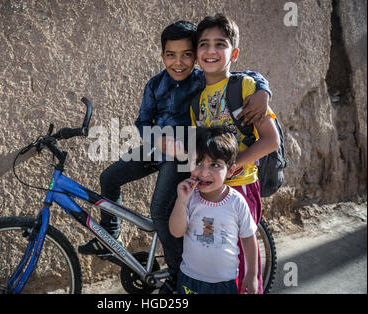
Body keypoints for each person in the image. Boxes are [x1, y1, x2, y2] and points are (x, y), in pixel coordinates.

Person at [78, 20, 272, 293]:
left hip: (186, 152)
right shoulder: (155, 84)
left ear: (195, 56)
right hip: (159, 146)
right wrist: (158, 140)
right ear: (162, 56)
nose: (178, 62)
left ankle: (177, 272)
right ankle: (110, 232)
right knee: (109, 177)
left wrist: (263, 90)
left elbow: (240, 73)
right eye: (171, 55)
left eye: (186, 55)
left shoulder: (201, 79)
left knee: (159, 209)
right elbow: (142, 123)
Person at [190, 14, 280, 293]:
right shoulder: (197, 101)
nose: (211, 51)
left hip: (240, 189)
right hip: (208, 193)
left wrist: (232, 166)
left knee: (242, 264)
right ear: (196, 54)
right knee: (217, 264)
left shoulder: (245, 88)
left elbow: (271, 140)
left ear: (234, 53)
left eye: (221, 44)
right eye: (204, 44)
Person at [169, 125, 259, 294]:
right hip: (190, 279)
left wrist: (252, 275)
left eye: (215, 165)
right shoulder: (189, 197)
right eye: (198, 162)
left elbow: (248, 238)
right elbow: (176, 232)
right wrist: (181, 202)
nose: (204, 172)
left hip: (224, 283)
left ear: (230, 171)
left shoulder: (236, 202)